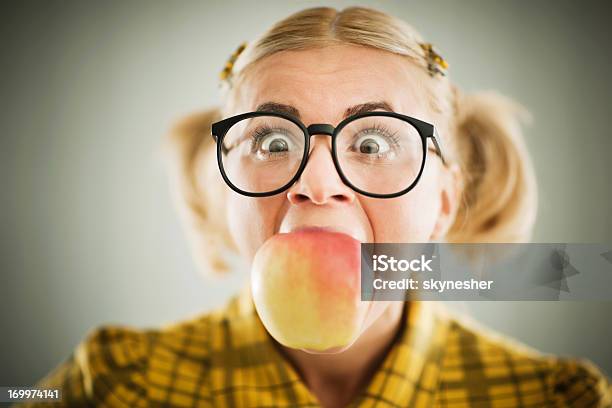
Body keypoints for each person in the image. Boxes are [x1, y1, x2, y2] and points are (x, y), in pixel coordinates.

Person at [25, 6, 611, 408]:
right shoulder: (114, 383)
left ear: (442, 200)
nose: (317, 182)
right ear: (225, 189)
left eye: (374, 142)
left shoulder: (555, 397)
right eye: (273, 141)